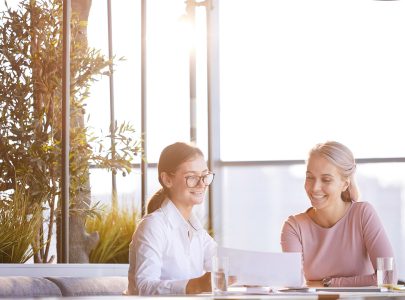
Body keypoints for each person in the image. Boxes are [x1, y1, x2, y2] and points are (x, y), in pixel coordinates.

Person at [280, 141, 397, 287]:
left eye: (326, 179)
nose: (315, 188)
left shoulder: (363, 214)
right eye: (310, 177)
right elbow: (294, 285)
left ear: (345, 184)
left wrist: (332, 283)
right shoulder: (293, 227)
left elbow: (387, 278)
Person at [127, 142, 217, 295]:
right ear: (167, 180)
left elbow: (225, 264)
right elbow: (145, 286)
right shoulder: (153, 226)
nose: (202, 184)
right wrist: (195, 286)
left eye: (205, 175)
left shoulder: (197, 232)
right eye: (192, 177)